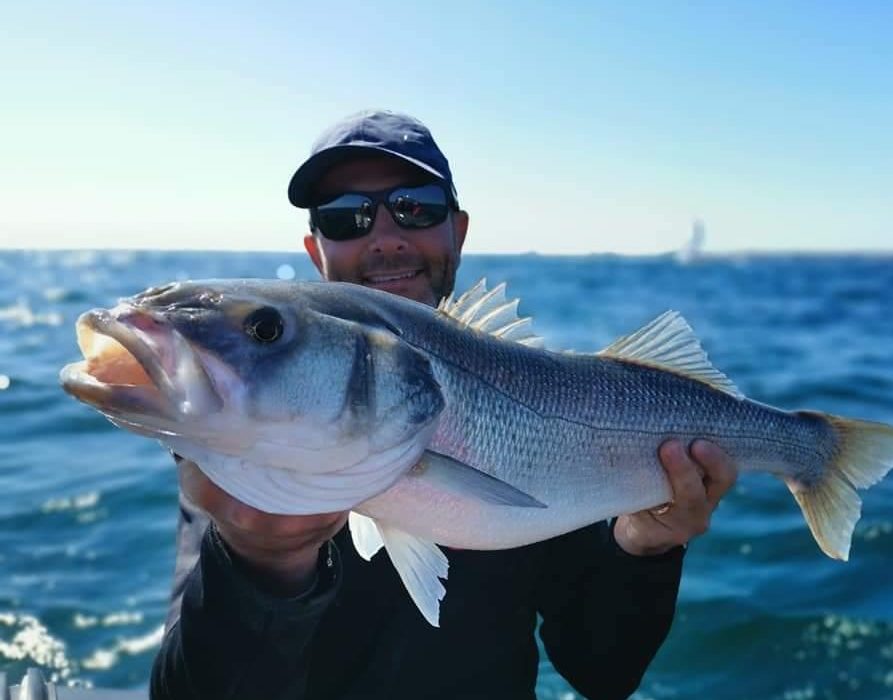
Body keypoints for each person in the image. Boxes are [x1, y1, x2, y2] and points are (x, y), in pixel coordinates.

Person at [150, 110, 738, 700]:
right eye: (346, 217)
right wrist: (262, 561)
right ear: (315, 249)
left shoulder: (533, 402)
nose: (385, 237)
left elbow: (601, 673)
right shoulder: (248, 431)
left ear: (457, 229)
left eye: (417, 206)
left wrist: (645, 545)